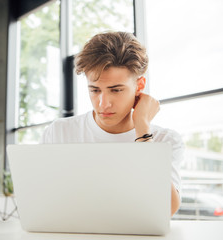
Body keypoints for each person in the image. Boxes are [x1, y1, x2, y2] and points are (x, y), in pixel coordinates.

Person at [40, 31, 183, 216]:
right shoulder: (59, 132)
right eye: (94, 90)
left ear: (139, 86)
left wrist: (142, 128)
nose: (103, 103)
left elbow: (167, 209)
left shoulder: (166, 140)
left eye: (116, 90)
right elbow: (43, 203)